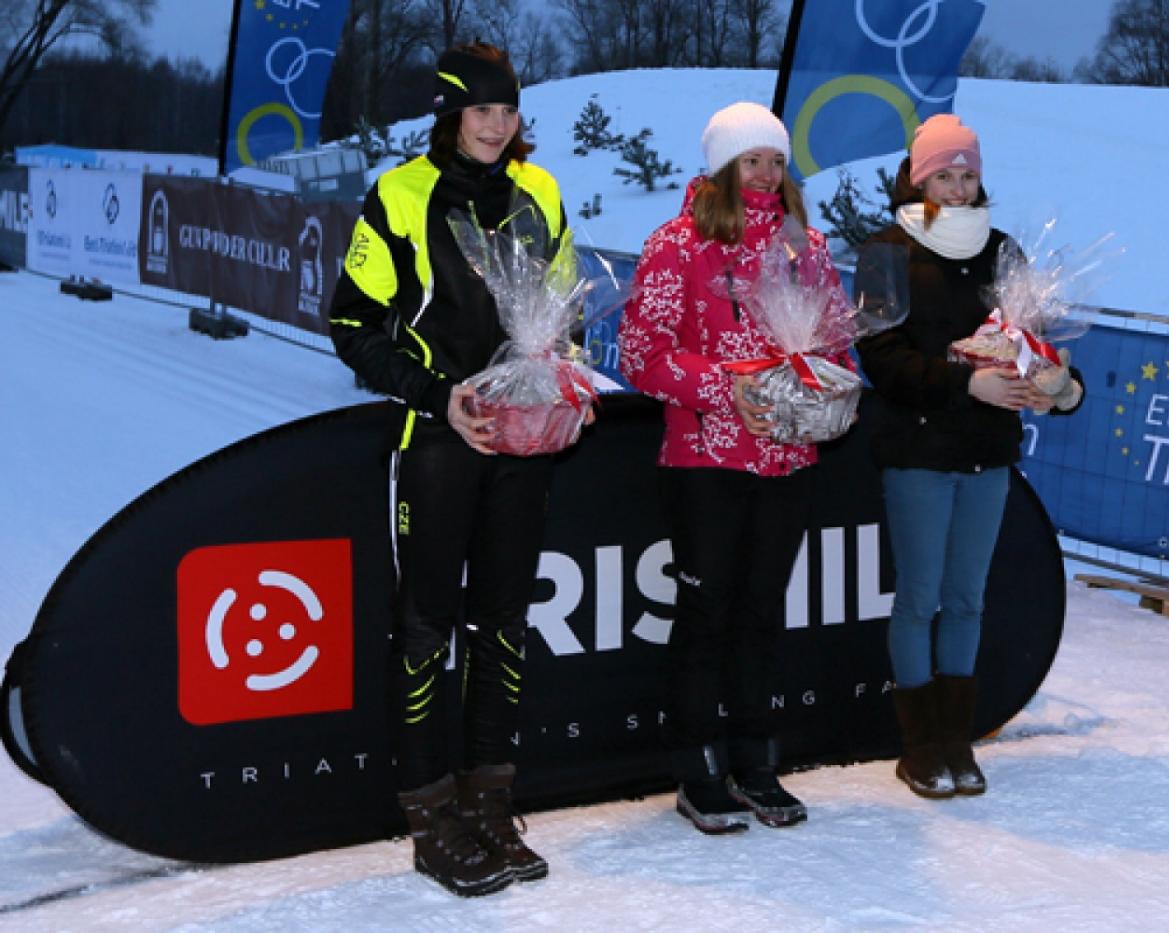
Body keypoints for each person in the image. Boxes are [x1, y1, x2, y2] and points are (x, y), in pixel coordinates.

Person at [328, 42, 576, 897]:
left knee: (503, 620)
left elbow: (563, 302)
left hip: (523, 439)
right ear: (448, 114)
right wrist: (441, 400)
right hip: (437, 440)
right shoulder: (399, 194)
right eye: (480, 112)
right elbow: (351, 325)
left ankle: (490, 799)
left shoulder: (540, 190)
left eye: (507, 113)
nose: (496, 127)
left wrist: (562, 378)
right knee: (427, 625)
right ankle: (431, 814)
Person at [619, 102, 849, 834]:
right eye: (752, 160)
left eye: (776, 161)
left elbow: (839, 344)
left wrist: (825, 385)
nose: (766, 174)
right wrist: (729, 388)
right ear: (721, 167)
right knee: (706, 615)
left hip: (788, 459)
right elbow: (641, 355)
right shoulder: (678, 244)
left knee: (761, 613)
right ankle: (695, 765)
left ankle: (755, 760)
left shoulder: (805, 247)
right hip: (705, 460)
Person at [855, 114, 1083, 800]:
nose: (957, 189)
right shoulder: (886, 250)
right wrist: (966, 380)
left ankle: (957, 739)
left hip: (988, 452)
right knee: (920, 596)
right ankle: (920, 743)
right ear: (917, 179)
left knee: (967, 599)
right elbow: (882, 360)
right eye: (943, 175)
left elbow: (1028, 344)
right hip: (919, 450)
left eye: (968, 175)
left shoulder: (1004, 251)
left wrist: (1055, 385)